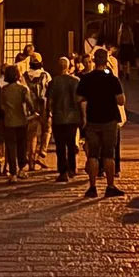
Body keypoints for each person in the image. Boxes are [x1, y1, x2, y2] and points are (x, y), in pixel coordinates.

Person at [75, 51, 125, 198]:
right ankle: (110, 186)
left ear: (94, 60)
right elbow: (120, 101)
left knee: (93, 155)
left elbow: (78, 98)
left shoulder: (86, 79)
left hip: (92, 120)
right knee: (109, 155)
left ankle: (92, 187)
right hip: (109, 120)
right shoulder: (112, 80)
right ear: (106, 61)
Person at [0, 63, 34, 179]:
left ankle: (13, 172)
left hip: (8, 121)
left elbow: (1, 106)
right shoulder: (23, 89)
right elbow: (30, 104)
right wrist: (32, 111)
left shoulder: (4, 90)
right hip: (21, 120)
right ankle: (21, 168)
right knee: (22, 145)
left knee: (10, 146)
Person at [47, 54, 84, 182]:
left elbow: (50, 101)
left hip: (58, 117)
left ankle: (63, 171)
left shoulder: (53, 82)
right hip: (73, 117)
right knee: (71, 143)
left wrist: (49, 114)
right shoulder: (76, 81)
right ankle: (72, 168)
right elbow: (80, 101)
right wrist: (83, 117)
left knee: (60, 146)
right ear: (69, 67)